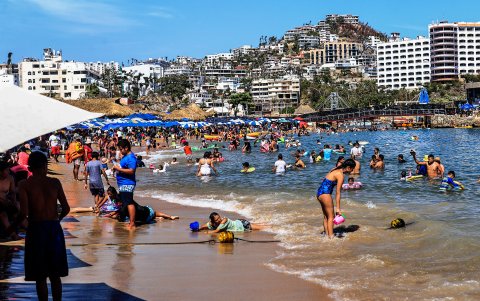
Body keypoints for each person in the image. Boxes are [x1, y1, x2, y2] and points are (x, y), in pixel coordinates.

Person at [18, 152, 70, 301]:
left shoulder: (24, 184)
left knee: (40, 275)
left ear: (30, 167)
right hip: (53, 229)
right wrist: (56, 220)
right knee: (55, 274)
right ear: (45, 166)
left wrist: (13, 227)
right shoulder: (55, 182)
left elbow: (24, 213)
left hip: (35, 229)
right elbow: (66, 208)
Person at [316, 159, 356, 238]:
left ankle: (326, 235)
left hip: (319, 193)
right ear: (348, 167)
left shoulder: (335, 169)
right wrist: (338, 208)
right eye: (352, 168)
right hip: (325, 193)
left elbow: (325, 180)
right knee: (331, 217)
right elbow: (338, 192)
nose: (352, 171)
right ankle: (331, 237)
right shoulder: (340, 175)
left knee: (326, 216)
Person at [112, 139, 137, 230]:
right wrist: (117, 167)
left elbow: (131, 171)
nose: (120, 151)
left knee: (129, 203)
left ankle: (132, 223)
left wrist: (118, 169)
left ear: (126, 148)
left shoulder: (131, 158)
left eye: (121, 149)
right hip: (123, 183)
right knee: (126, 202)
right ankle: (129, 220)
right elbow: (124, 167)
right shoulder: (126, 156)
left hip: (127, 183)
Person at [0, 161, 21, 240]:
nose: (9, 172)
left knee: (18, 211)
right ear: (1, 171)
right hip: (1, 204)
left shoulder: (10, 178)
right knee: (3, 215)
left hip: (6, 202)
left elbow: (12, 193)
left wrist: (14, 202)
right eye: (7, 170)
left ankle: (31, 231)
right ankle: (13, 235)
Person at [198, 212, 264, 233]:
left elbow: (217, 230)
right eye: (217, 219)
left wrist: (207, 232)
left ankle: (273, 228)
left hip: (243, 224)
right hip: (239, 222)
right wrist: (198, 229)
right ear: (213, 221)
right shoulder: (212, 223)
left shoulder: (224, 220)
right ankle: (272, 224)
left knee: (263, 228)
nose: (219, 219)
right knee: (261, 226)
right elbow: (205, 226)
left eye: (219, 217)